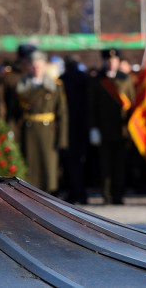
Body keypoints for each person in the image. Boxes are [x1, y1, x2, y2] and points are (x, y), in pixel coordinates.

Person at [87, 48, 135, 205]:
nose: (111, 62)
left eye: (114, 60)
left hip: (122, 130)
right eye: (108, 59)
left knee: (120, 165)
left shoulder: (125, 79)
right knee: (105, 164)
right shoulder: (97, 80)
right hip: (104, 129)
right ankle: (106, 195)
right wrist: (93, 128)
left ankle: (118, 195)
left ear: (118, 61)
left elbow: (132, 104)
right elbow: (91, 106)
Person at [16, 51, 68, 193]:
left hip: (48, 131)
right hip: (29, 130)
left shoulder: (55, 85)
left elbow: (62, 113)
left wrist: (62, 139)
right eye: (33, 66)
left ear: (45, 67)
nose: (36, 69)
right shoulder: (23, 85)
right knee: (31, 166)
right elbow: (15, 112)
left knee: (48, 166)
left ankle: (50, 193)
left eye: (39, 66)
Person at [59, 55, 89, 204]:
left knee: (70, 163)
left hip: (67, 126)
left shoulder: (62, 79)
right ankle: (81, 194)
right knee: (78, 162)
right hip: (82, 125)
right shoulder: (84, 78)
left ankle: (74, 193)